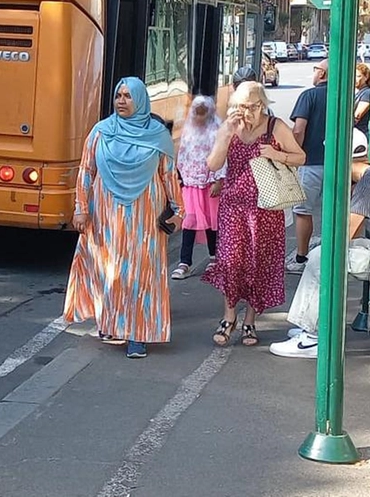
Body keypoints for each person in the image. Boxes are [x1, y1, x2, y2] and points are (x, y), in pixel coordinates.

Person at [271, 130, 370, 358]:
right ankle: (310, 325)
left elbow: (346, 234)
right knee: (325, 253)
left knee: (322, 257)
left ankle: (311, 339)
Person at [64, 77, 179, 359]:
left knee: (140, 274)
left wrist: (179, 211)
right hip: (106, 216)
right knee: (111, 271)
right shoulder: (101, 132)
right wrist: (81, 207)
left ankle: (138, 334)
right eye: (118, 96)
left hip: (145, 218)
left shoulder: (157, 135)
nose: (122, 101)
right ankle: (112, 323)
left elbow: (169, 175)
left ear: (140, 100)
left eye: (128, 96)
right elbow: (86, 171)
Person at [203, 81, 306, 347]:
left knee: (258, 264)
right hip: (233, 206)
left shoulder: (276, 127)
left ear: (262, 105)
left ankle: (250, 320)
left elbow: (300, 157)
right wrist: (226, 135)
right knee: (230, 262)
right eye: (238, 106)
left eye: (249, 106)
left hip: (265, 208)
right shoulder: (230, 128)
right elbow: (213, 164)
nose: (244, 112)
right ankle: (228, 318)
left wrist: (276, 154)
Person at [172, 96, 225, 280]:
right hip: (191, 183)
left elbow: (222, 155)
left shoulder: (217, 130)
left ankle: (214, 257)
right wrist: (180, 177)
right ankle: (184, 262)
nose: (200, 118)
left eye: (203, 114)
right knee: (190, 221)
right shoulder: (189, 130)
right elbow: (183, 154)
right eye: (197, 114)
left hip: (210, 183)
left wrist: (219, 180)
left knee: (211, 222)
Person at [288, 59, 329, 273]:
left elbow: (298, 129)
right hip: (334, 163)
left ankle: (301, 257)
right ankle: (329, 253)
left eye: (315, 70)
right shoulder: (342, 95)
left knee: (303, 210)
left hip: (310, 161)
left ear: (321, 74)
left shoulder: (308, 96)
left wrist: (296, 154)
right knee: (332, 210)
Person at [354, 63, 370, 136]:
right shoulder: (359, 93)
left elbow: (357, 115)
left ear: (366, 77)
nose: (355, 79)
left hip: (361, 134)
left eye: (358, 76)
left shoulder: (367, 93)